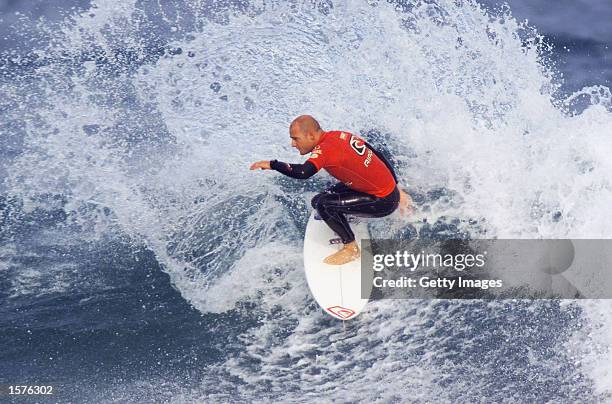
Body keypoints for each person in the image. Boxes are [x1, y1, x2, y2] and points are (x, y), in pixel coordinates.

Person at [250, 115, 413, 265]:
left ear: (311, 136)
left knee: (324, 205)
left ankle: (351, 248)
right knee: (318, 200)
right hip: (378, 189)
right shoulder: (340, 135)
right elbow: (376, 154)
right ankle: (346, 217)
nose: (293, 144)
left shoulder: (325, 150)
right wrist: (396, 187)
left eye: (295, 139)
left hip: (383, 201)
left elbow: (303, 172)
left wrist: (273, 164)